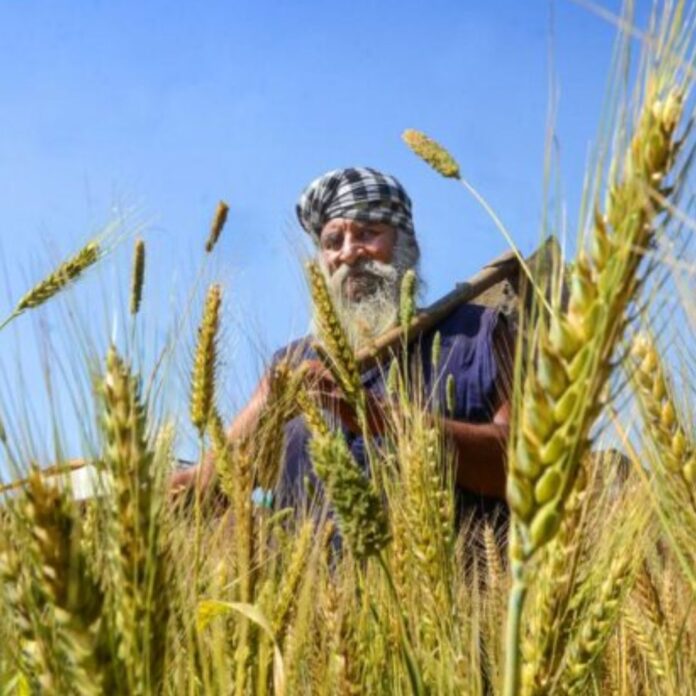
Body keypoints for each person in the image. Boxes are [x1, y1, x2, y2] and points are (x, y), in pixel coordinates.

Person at [171, 167, 512, 521]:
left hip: (454, 574)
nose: (349, 253)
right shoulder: (291, 364)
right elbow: (208, 491)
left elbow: (524, 467)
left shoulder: (477, 333)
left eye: (368, 232)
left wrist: (383, 417)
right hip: (312, 576)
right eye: (333, 241)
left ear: (407, 246)